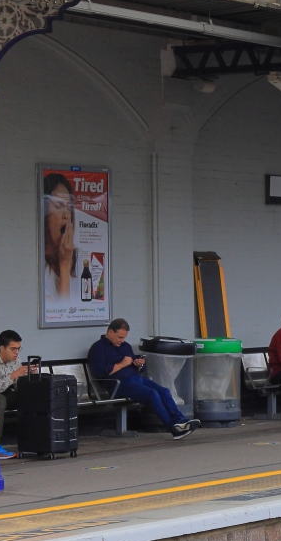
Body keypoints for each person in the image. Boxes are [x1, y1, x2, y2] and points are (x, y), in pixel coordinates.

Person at [88, 319, 199, 439]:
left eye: (124, 337)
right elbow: (99, 372)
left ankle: (180, 420)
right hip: (118, 384)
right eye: (120, 337)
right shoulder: (98, 348)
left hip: (136, 378)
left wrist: (139, 364)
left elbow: (139, 368)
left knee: (164, 391)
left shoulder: (125, 346)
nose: (122, 340)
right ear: (110, 332)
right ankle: (172, 427)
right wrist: (121, 364)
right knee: (152, 394)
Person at [42, 173, 79, 303]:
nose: (65, 216)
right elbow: (62, 311)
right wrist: (64, 265)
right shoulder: (40, 267)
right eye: (58, 206)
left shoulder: (81, 263)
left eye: (69, 208)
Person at [0, 330, 32, 458]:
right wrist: (14, 375)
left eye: (18, 349)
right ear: (2, 348)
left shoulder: (15, 359)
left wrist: (27, 377)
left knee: (30, 396)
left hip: (6, 393)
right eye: (13, 349)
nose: (16, 353)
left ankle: (35, 440)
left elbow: (17, 386)